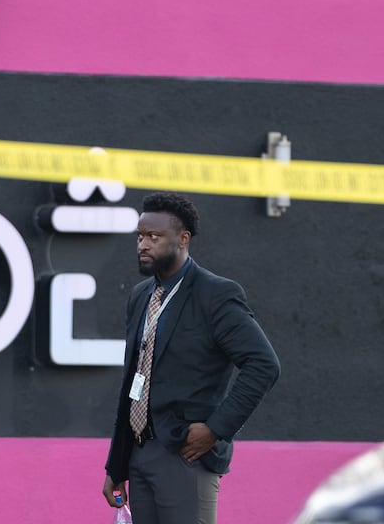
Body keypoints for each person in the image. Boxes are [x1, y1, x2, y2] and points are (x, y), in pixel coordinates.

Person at [101, 192, 281, 524]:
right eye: (140, 237)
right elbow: (133, 382)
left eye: (153, 237)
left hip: (186, 454)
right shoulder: (141, 296)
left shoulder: (216, 295)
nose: (142, 245)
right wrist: (118, 464)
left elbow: (263, 365)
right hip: (140, 453)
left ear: (183, 239)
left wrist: (216, 429)